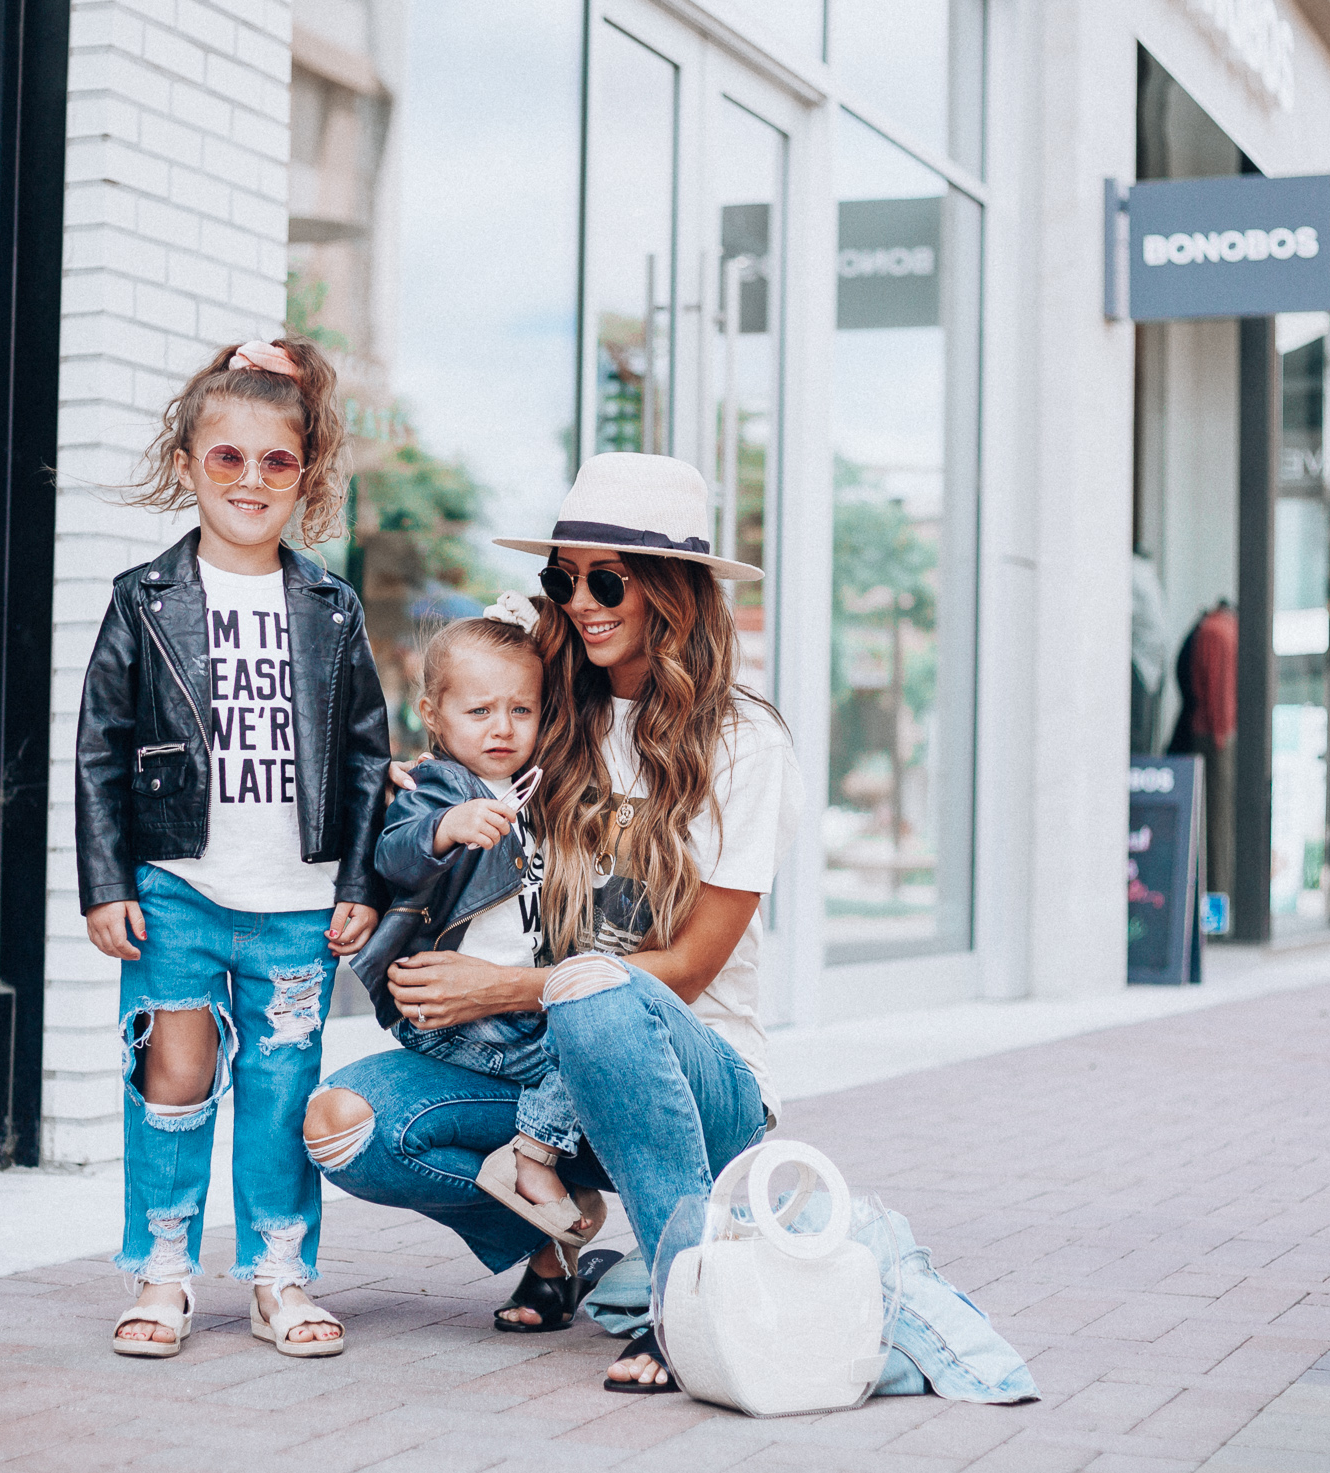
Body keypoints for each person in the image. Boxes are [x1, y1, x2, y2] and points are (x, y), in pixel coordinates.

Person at [304, 452, 801, 1394]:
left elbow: (689, 968)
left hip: (699, 1085)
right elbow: (466, 683)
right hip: (545, 1074)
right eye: (561, 577)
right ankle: (553, 1238)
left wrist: (505, 988)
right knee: (345, 1127)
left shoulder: (745, 741)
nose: (579, 600)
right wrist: (424, 791)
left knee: (600, 993)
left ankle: (682, 1290)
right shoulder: (550, 708)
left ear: (675, 594)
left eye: (606, 578)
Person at [77, 337, 389, 1359]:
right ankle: (161, 1274)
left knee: (282, 1092)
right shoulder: (143, 599)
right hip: (176, 890)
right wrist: (105, 883)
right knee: (169, 1077)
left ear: (306, 475)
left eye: (275, 462)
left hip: (297, 902)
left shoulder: (331, 608)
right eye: (227, 459)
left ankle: (279, 1277)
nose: (250, 481)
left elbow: (363, 758)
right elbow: (98, 750)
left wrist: (357, 880)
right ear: (188, 466)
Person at [353, 597, 603, 1247]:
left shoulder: (533, 793)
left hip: (510, 1003)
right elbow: (393, 851)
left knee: (594, 1036)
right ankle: (533, 1159)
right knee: (574, 1055)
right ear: (434, 715)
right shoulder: (444, 785)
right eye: (479, 710)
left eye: (521, 710)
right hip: (450, 1007)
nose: (502, 727)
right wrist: (443, 829)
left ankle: (541, 1194)